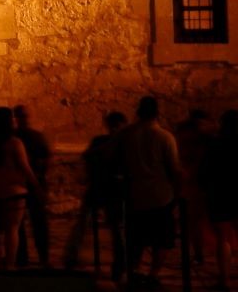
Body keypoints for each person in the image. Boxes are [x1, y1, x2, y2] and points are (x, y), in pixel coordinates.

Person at [116, 95, 182, 290]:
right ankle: (153, 274)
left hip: (134, 195)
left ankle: (135, 271)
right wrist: (178, 192)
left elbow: (115, 160)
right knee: (161, 240)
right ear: (157, 113)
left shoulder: (126, 135)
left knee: (136, 238)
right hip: (161, 196)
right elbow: (174, 168)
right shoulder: (165, 137)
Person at [63, 110, 128, 281]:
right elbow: (88, 156)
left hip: (115, 190)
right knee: (83, 222)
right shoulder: (101, 141)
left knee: (117, 229)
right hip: (98, 187)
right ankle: (71, 257)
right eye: (112, 126)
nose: (114, 129)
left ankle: (120, 265)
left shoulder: (125, 145)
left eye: (117, 126)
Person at [0, 106, 41, 271]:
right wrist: (36, 186)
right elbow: (24, 167)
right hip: (13, 190)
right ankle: (9, 264)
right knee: (11, 229)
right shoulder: (14, 143)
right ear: (9, 122)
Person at [200, 109, 238, 292]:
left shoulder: (216, 145)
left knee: (223, 238)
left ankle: (225, 281)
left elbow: (205, 171)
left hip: (221, 194)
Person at [14, 103, 51, 268]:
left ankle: (39, 256)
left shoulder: (31, 137)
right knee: (22, 223)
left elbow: (47, 157)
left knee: (36, 223)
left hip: (28, 183)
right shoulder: (21, 137)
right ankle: (24, 256)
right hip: (25, 183)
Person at [175, 108, 213, 266]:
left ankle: (198, 255)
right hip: (210, 181)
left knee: (193, 222)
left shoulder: (182, 132)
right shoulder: (210, 134)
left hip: (189, 179)